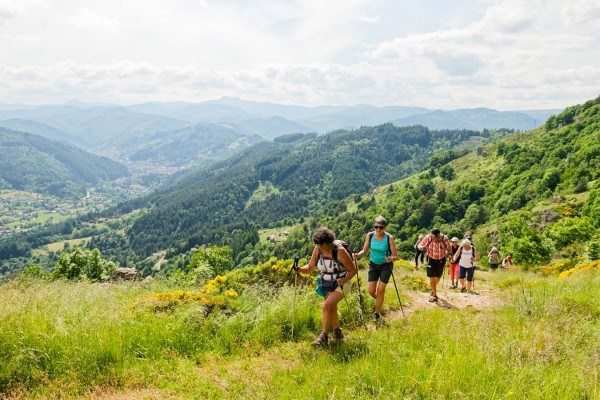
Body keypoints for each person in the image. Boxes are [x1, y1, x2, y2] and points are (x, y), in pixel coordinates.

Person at [295, 227, 357, 346]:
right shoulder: (318, 249)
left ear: (329, 242)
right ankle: (337, 332)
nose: (319, 247)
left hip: (342, 283)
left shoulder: (340, 251)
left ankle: (323, 337)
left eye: (321, 244)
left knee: (327, 306)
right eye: (317, 244)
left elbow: (353, 270)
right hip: (326, 283)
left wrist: (344, 280)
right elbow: (310, 267)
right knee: (331, 307)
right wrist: (300, 269)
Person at [353, 216, 399, 323]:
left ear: (385, 228)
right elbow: (364, 251)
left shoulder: (389, 238)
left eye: (381, 227)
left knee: (380, 290)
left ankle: (376, 314)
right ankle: (380, 301)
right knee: (371, 291)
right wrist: (357, 255)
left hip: (385, 266)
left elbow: (396, 256)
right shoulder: (370, 236)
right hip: (373, 265)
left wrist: (391, 258)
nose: (378, 229)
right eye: (376, 227)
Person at [418, 227, 451, 302]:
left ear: (439, 236)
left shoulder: (444, 238)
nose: (435, 239)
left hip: (441, 259)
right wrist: (421, 247)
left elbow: (449, 248)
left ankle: (432, 288)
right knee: (432, 277)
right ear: (431, 235)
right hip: (431, 259)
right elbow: (420, 245)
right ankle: (434, 294)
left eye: (437, 237)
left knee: (438, 277)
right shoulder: (428, 238)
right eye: (433, 237)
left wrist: (449, 253)